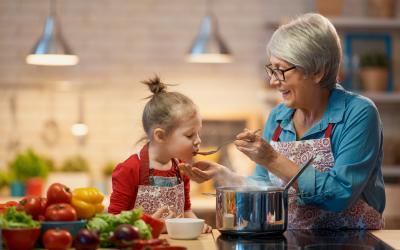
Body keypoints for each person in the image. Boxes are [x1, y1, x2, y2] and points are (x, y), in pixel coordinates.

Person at [179, 13, 385, 229]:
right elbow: (263, 187)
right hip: (291, 241)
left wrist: (273, 159)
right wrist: (225, 175)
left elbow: (339, 195)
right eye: (271, 69)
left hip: (356, 243)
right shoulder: (278, 117)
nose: (273, 80)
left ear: (317, 72)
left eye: (281, 70)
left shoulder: (358, 113)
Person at [108, 76, 212, 233]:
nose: (198, 141)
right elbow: (114, 221)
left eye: (198, 133)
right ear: (160, 136)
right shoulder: (129, 169)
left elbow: (186, 210)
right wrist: (149, 225)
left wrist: (198, 224)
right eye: (190, 135)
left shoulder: (181, 169)